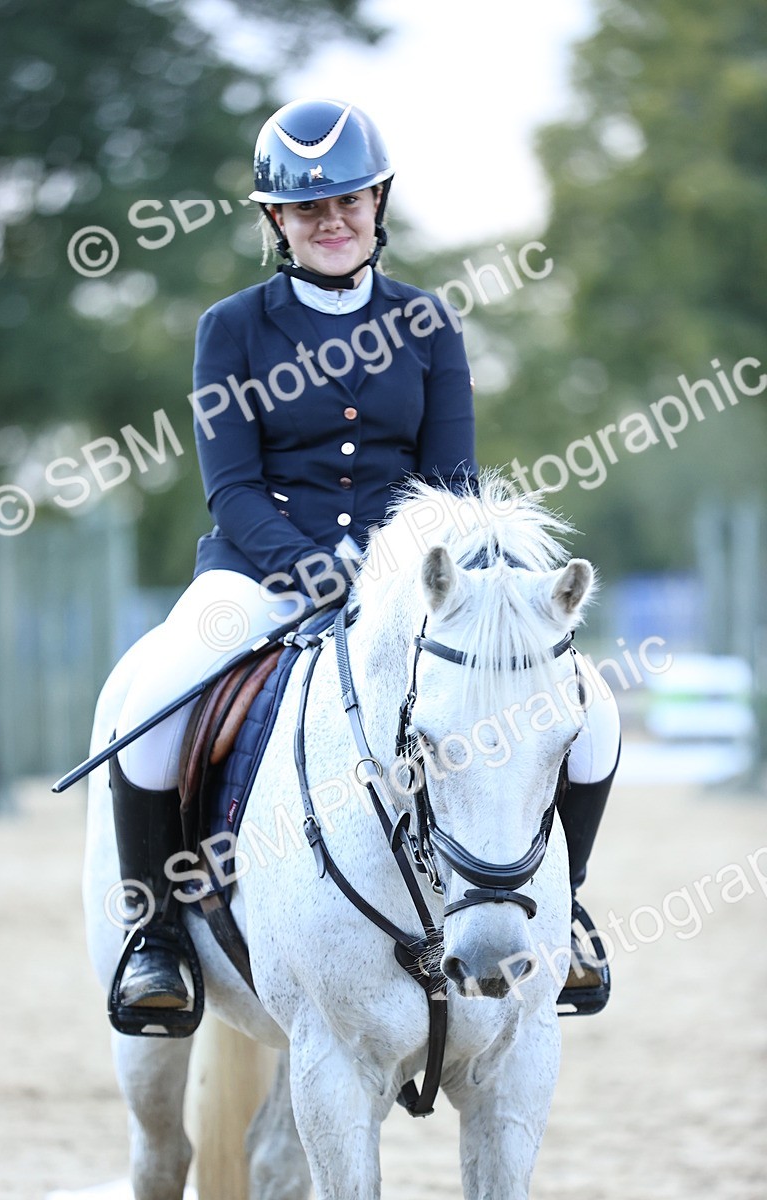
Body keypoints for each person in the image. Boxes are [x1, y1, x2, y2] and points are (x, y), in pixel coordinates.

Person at [108, 98, 619, 1016]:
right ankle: (158, 941)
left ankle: (563, 911)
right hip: (255, 572)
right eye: (308, 208)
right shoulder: (231, 329)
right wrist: (315, 573)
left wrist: (404, 581)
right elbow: (230, 487)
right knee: (152, 697)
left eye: (349, 200)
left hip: (411, 588)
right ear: (276, 220)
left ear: (379, 202)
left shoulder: (429, 324)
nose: (332, 221)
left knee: (597, 711)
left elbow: (453, 485)